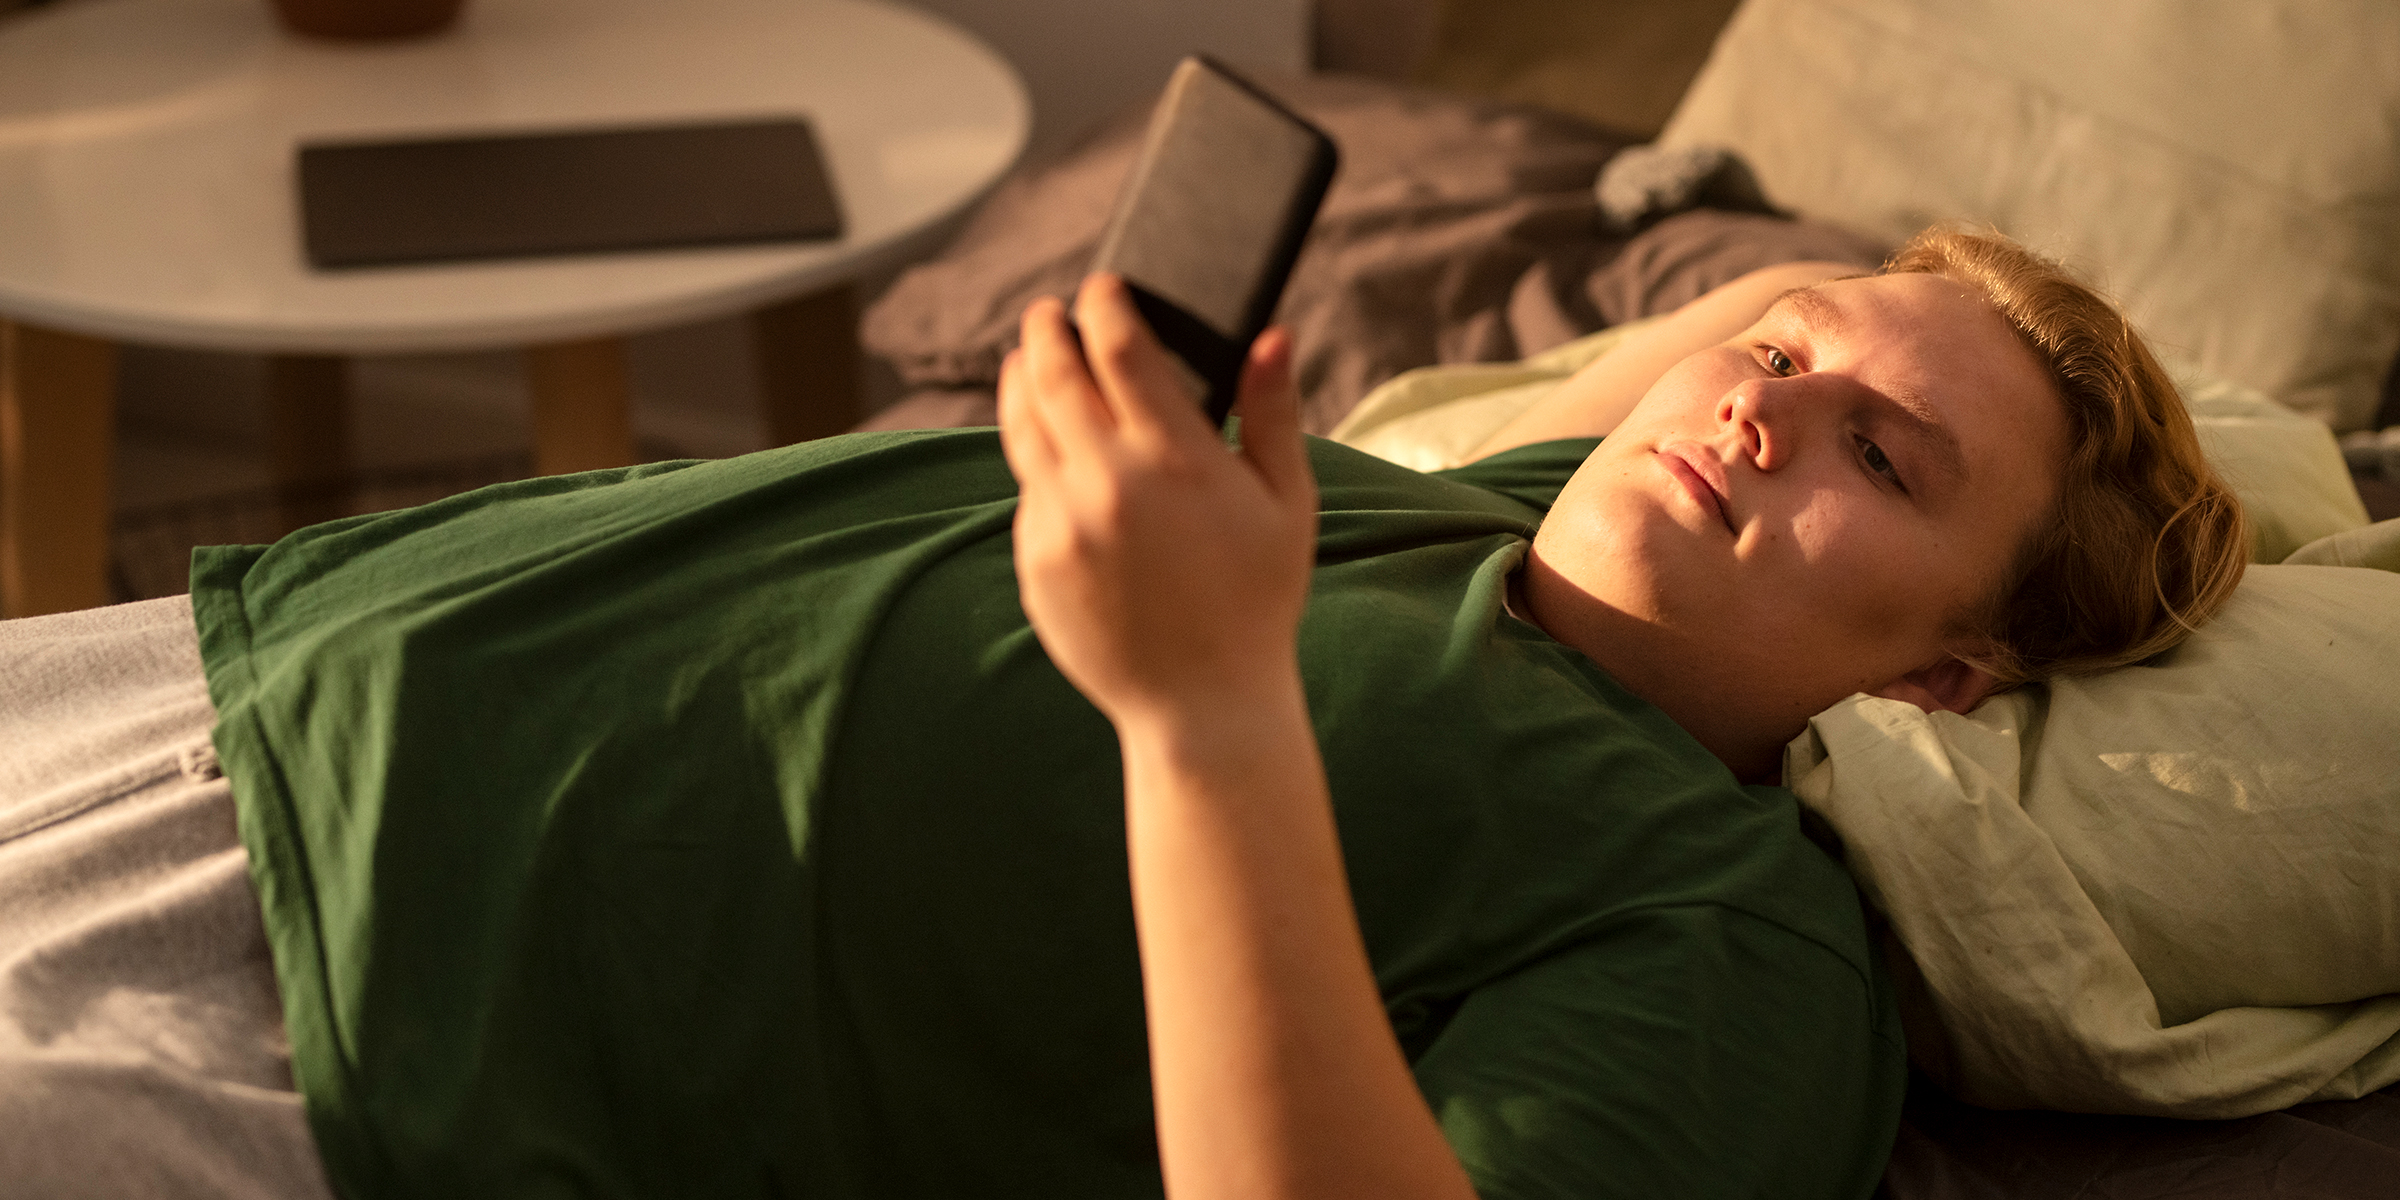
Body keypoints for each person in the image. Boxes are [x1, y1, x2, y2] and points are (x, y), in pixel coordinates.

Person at [0, 229, 2245, 1200]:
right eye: (1783, 361)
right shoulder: (1440, 501)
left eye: (1890, 463)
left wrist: (1203, 716)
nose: (1770, 419)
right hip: (231, 681)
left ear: (1948, 676)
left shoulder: (1735, 938)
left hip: (365, 1033)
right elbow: (1681, 330)